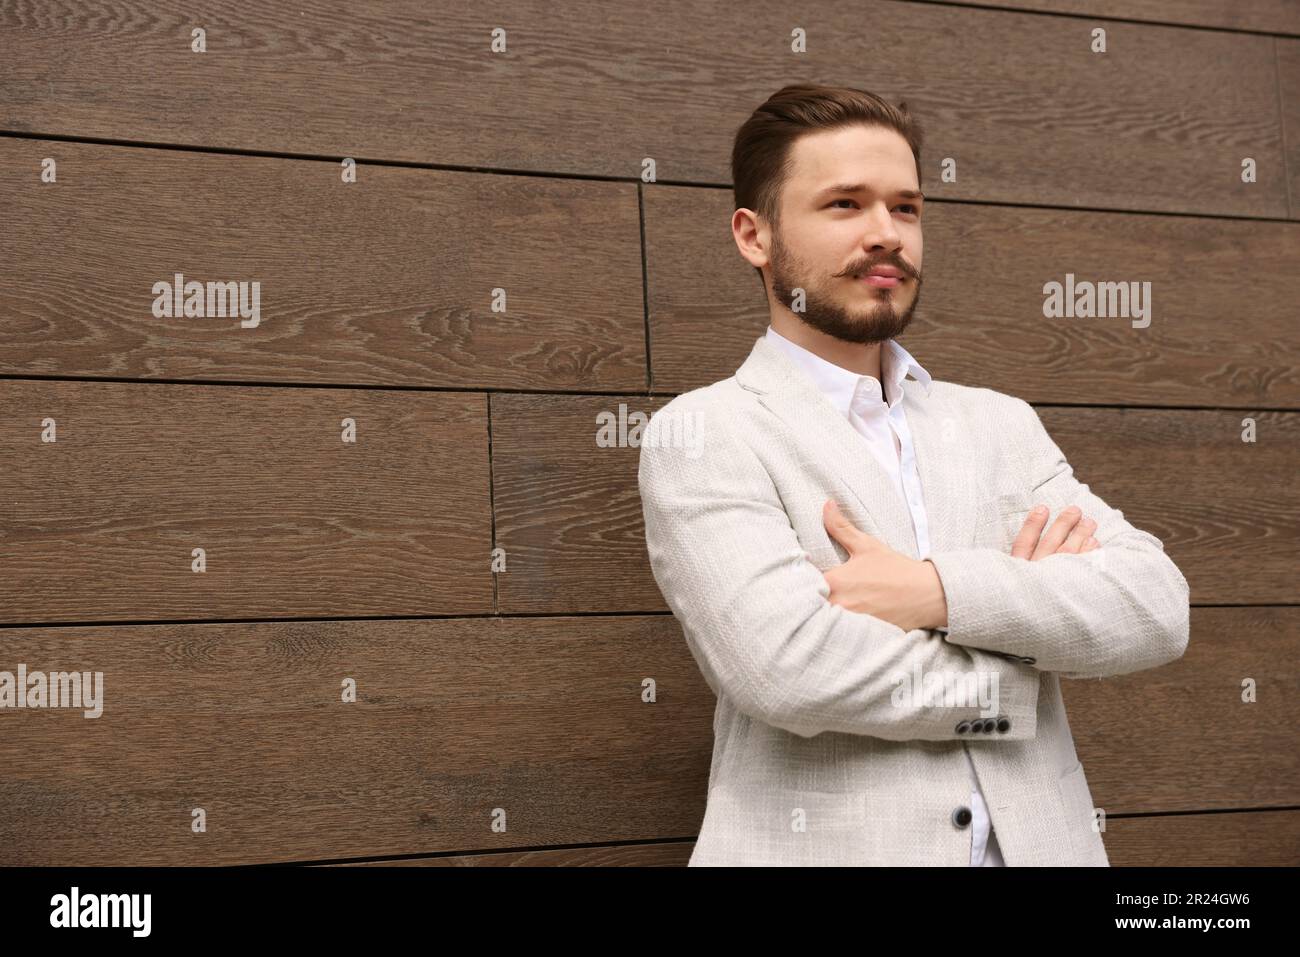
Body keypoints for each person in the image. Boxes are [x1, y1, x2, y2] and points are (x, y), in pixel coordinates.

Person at [637, 83, 1190, 866]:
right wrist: (1022, 665)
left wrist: (934, 591)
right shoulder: (703, 434)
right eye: (844, 205)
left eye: (905, 207)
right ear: (754, 236)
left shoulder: (999, 422)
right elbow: (787, 667)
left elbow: (1157, 605)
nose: (885, 234)